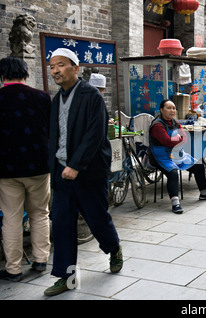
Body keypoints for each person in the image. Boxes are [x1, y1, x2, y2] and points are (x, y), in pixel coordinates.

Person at [44, 48, 122, 296]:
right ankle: (66, 277)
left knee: (96, 217)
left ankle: (113, 248)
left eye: (61, 65)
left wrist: (76, 165)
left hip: (88, 172)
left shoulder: (91, 96)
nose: (55, 70)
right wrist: (55, 167)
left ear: (75, 68)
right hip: (61, 173)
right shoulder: (56, 100)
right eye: (52, 66)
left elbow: (95, 135)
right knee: (62, 224)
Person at [0, 56, 51, 282]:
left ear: (2, 76)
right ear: (26, 74)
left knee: (11, 217)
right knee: (39, 212)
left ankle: (13, 269)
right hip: (39, 165)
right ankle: (41, 260)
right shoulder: (42, 98)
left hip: (6, 169)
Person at [148, 99, 206, 214]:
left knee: (199, 165)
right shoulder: (157, 125)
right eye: (168, 108)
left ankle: (204, 194)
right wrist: (176, 140)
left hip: (177, 154)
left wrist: (175, 140)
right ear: (161, 110)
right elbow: (167, 141)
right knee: (173, 172)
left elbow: (184, 138)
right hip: (160, 157)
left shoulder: (174, 122)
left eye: (174, 108)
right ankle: (175, 202)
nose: (172, 111)